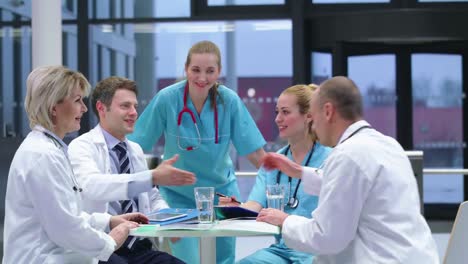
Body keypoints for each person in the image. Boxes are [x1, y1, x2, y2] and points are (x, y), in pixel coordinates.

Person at [257, 76, 440, 263]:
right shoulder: (388, 145)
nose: (313, 125)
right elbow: (349, 186)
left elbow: (326, 237)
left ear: (328, 112)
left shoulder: (347, 155)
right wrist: (299, 171)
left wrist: (285, 220)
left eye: (313, 116)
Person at [128, 40, 266, 264]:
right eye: (196, 70)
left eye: (210, 71)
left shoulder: (229, 101)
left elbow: (256, 155)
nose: (202, 78)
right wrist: (132, 181)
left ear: (219, 72)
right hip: (177, 198)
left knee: (224, 259)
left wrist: (283, 185)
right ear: (186, 69)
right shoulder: (167, 99)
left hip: (222, 197)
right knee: (187, 260)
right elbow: (135, 146)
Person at [3, 65, 149, 264]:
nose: (84, 108)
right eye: (77, 100)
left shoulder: (52, 149)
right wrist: (111, 241)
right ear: (54, 107)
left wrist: (109, 221)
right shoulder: (42, 155)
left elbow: (68, 213)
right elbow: (65, 227)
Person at [68, 76, 195, 263]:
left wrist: (170, 219)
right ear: (102, 108)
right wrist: (152, 176)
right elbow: (92, 186)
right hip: (104, 247)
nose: (134, 112)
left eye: (135, 106)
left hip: (139, 246)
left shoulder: (134, 150)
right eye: (125, 106)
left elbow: (152, 198)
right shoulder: (81, 147)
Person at [219, 84, 331, 264]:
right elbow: (254, 206)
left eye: (286, 112)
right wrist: (234, 208)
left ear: (308, 116)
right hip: (282, 250)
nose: (278, 119)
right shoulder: (273, 161)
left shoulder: (331, 159)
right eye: (277, 112)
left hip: (317, 251)